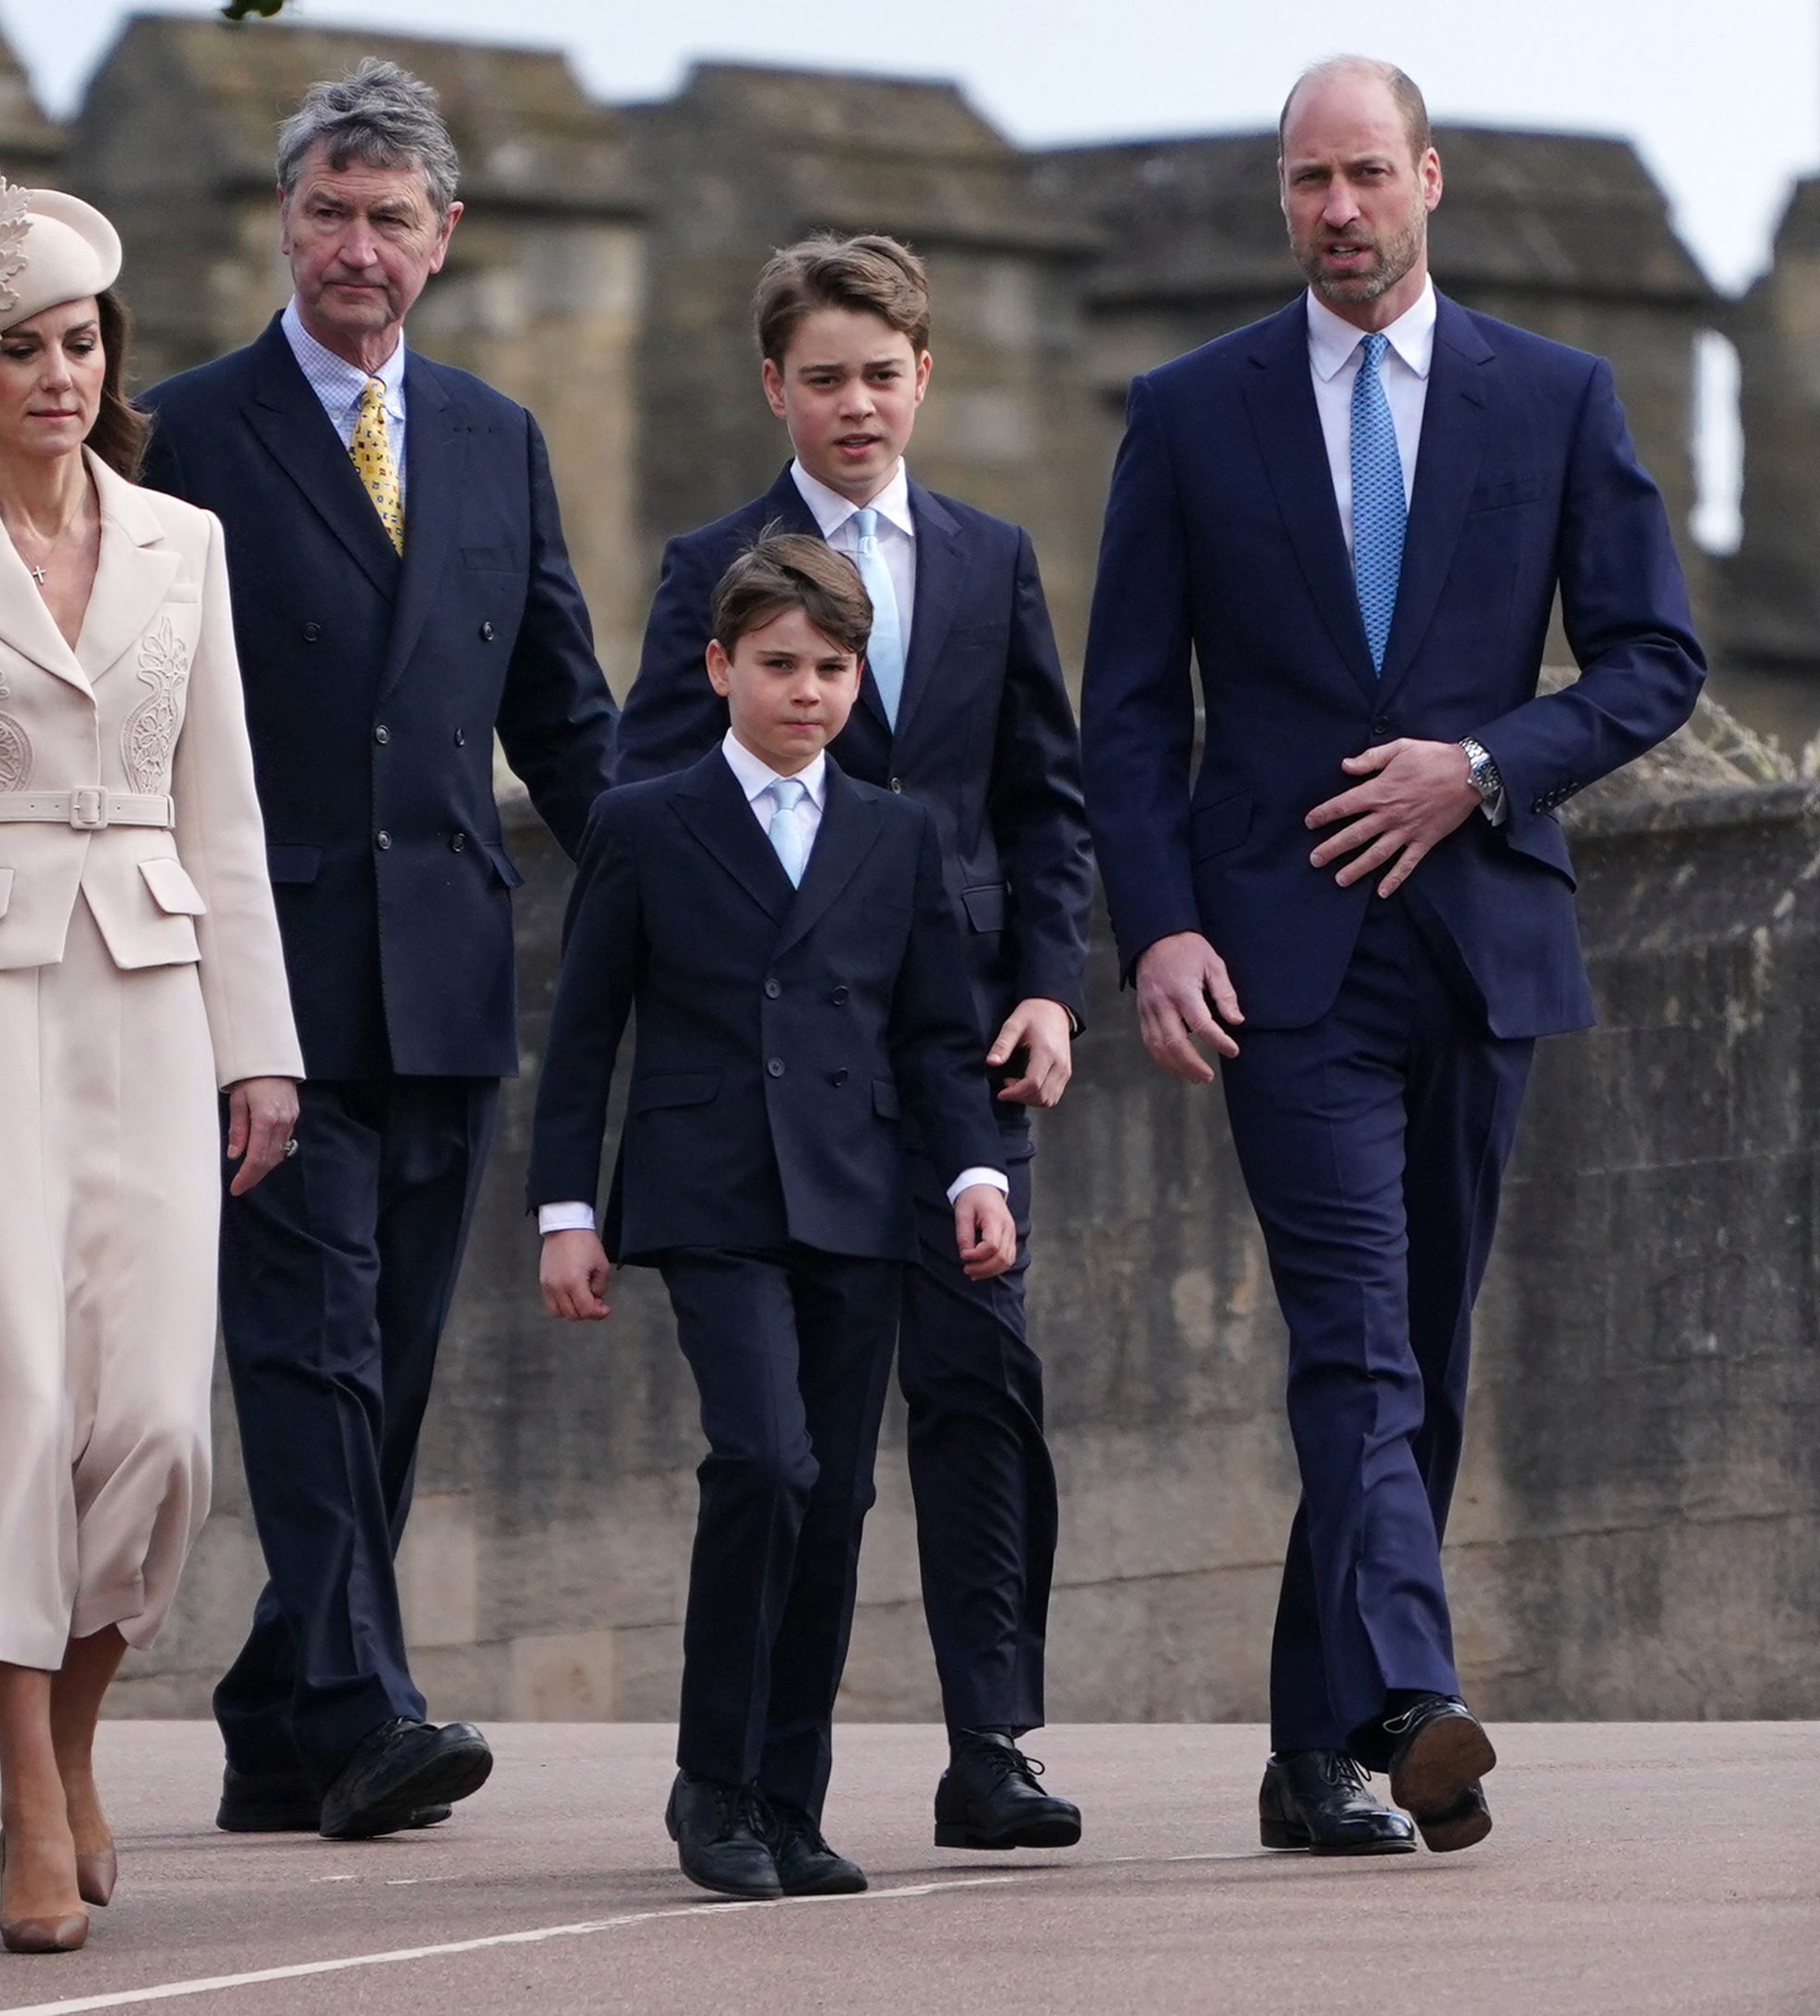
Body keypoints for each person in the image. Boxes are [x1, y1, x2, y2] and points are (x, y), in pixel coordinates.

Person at [1080, 58, 1704, 1855]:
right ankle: (1415, 1703)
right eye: (1307, 181)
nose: (1337, 210)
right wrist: (1161, 926)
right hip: (1276, 964)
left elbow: (1654, 661)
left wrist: (1485, 765)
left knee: (1416, 1351)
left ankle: (1310, 1753)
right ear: (1280, 197)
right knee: (1352, 1337)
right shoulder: (1188, 411)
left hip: (1480, 947)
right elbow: (1131, 711)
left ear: (1429, 180)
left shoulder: (1556, 397)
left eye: (1365, 174)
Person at [0, 167, 303, 1955]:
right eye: (21, 348)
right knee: (13, 1397)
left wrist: (262, 1050)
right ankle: (27, 1788)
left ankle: (79, 1732)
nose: (58, 376)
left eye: (81, 343)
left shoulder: (188, 544)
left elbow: (224, 810)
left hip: (156, 998)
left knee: (157, 1423)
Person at [137, 57, 618, 1843]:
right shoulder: (184, 434)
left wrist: (694, 895)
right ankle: (363, 1707)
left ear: (445, 236)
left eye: (389, 219)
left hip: (450, 978)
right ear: (284, 221)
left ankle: (275, 1710)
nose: (356, 246)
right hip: (262, 982)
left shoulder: (497, 438)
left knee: (391, 1365)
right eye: (328, 212)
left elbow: (564, 717)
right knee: (307, 1345)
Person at [611, 233, 1093, 1852]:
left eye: (882, 374)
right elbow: (648, 808)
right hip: (777, 1074)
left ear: (924, 377)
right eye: (824, 377)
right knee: (798, 1451)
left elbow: (1043, 801)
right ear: (776, 387)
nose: (856, 404)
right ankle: (752, 1776)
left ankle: (992, 1745)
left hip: (959, 1057)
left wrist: (1050, 986)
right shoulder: (711, 567)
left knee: (981, 1385)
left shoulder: (987, 558)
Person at [531, 532, 1016, 1899]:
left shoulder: (897, 832)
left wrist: (975, 1174)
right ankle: (714, 1779)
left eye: (833, 667)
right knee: (764, 1461)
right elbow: (583, 1033)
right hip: (711, 1193)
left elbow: (936, 1033)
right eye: (780, 663)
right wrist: (567, 1209)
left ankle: (789, 1801)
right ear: (719, 666)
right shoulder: (645, 821)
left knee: (839, 1494)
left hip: (860, 1197)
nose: (808, 690)